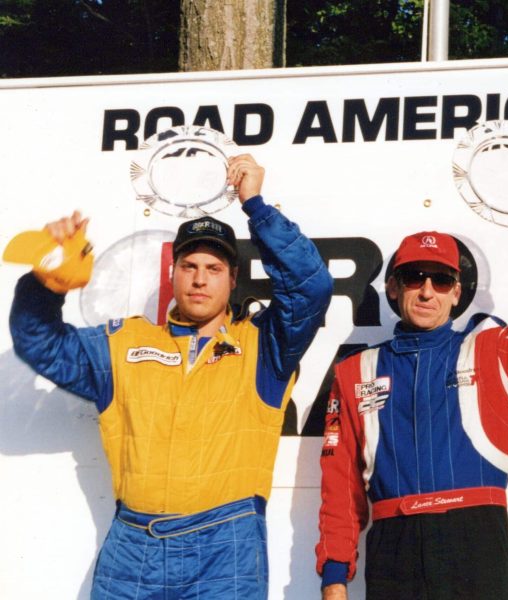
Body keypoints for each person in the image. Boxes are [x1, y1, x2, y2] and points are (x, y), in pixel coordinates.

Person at [8, 154, 333, 599]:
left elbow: (311, 288)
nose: (200, 279)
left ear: (233, 279)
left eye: (214, 269)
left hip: (227, 547)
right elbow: (39, 343)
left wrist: (255, 205)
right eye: (190, 266)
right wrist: (46, 285)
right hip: (132, 545)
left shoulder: (264, 347)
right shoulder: (122, 344)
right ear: (173, 272)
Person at [316, 184, 508, 600]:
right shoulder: (355, 371)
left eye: (441, 280)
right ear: (393, 288)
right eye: (414, 278)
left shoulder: (492, 348)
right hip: (394, 543)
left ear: (457, 293)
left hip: (476, 540)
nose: (427, 291)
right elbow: (340, 485)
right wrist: (335, 575)